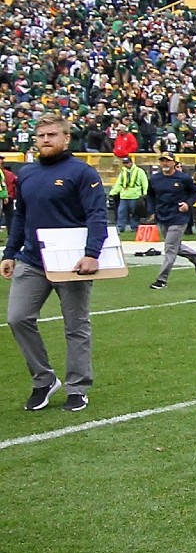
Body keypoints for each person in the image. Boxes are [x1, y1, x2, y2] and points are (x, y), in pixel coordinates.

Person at [4, 114, 107, 413]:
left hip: (71, 262)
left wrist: (92, 253)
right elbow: (20, 217)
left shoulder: (82, 172)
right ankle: (44, 380)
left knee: (76, 326)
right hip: (32, 259)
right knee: (17, 318)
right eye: (41, 136)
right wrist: (9, 253)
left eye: (51, 135)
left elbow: (96, 215)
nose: (45, 140)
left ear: (65, 138)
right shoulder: (27, 174)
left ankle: (78, 387)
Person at [146, 154, 196, 291]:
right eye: (162, 161)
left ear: (174, 162)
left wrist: (188, 204)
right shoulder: (155, 179)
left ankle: (161, 279)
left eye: (167, 161)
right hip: (162, 215)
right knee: (174, 246)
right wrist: (151, 210)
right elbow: (150, 195)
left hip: (179, 217)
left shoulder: (183, 178)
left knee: (169, 249)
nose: (165, 163)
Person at [106, 156, 148, 236]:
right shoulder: (123, 172)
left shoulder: (139, 171)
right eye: (124, 163)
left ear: (131, 162)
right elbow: (118, 183)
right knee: (121, 213)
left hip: (135, 195)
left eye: (127, 163)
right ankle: (120, 228)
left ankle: (134, 228)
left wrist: (144, 193)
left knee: (134, 213)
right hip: (124, 196)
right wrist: (113, 192)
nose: (126, 165)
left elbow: (144, 182)